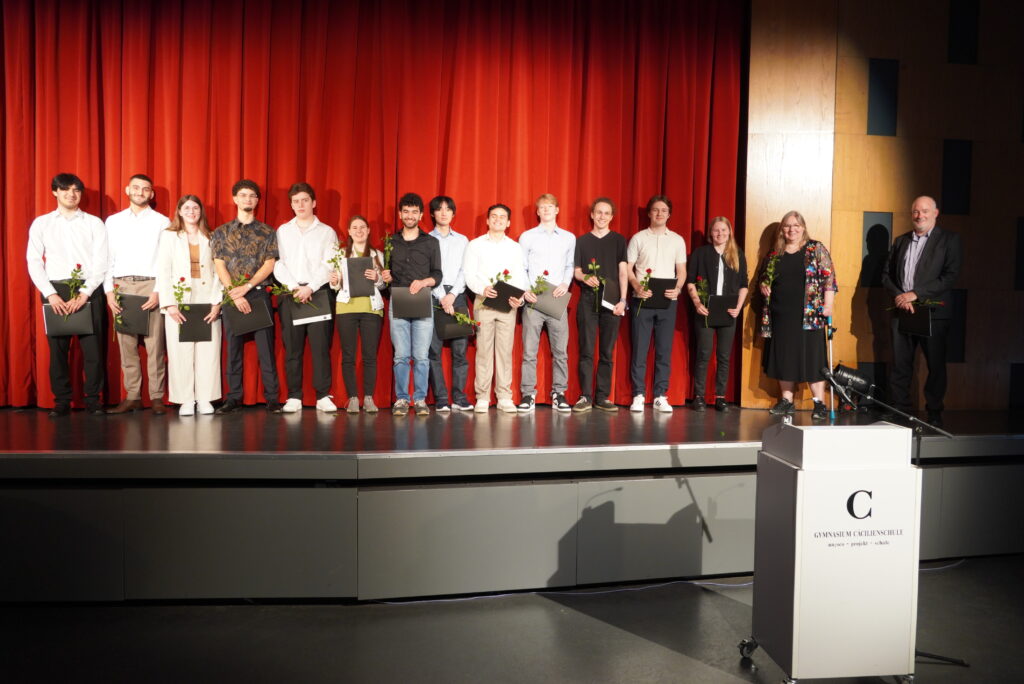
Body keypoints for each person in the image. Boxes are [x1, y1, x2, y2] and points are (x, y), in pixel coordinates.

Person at [26, 173, 108, 416]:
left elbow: (101, 261)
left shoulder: (94, 223)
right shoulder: (42, 223)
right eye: (65, 189)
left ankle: (93, 400)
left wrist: (85, 293)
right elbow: (33, 261)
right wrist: (50, 294)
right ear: (55, 192)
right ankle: (61, 400)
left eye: (76, 190)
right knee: (58, 351)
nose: (71, 194)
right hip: (55, 289)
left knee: (93, 350)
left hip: (89, 288)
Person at [881, 196, 961, 427]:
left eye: (925, 211)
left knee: (935, 365)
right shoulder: (901, 241)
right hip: (902, 310)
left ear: (936, 213)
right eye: (916, 211)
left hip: (933, 312)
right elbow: (886, 275)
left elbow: (950, 276)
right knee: (900, 365)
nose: (920, 215)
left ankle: (934, 412)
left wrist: (916, 294)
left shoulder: (949, 240)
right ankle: (900, 410)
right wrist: (900, 296)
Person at [210, 179, 281, 414]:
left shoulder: (268, 232)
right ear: (235, 199)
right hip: (232, 296)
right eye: (243, 195)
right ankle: (234, 397)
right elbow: (219, 264)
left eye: (252, 195)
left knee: (266, 350)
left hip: (258, 295)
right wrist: (234, 292)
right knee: (233, 350)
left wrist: (248, 287)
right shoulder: (221, 232)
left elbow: (269, 264)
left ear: (257, 200)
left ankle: (272, 398)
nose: (247, 199)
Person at [759, 210, 837, 419]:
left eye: (796, 225)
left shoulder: (815, 248)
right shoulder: (774, 254)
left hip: (809, 314)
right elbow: (764, 278)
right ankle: (787, 401)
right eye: (787, 225)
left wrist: (828, 305)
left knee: (813, 358)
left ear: (803, 228)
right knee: (784, 357)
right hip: (781, 314)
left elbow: (829, 278)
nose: (791, 229)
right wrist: (764, 285)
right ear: (781, 229)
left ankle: (819, 403)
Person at [104, 174, 170, 415]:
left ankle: (156, 397)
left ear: (151, 194)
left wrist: (159, 290)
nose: (140, 192)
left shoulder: (162, 221)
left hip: (150, 285)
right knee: (127, 346)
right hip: (121, 285)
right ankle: (132, 396)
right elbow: (107, 258)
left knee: (155, 346)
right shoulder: (113, 221)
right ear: (127, 190)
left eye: (145, 189)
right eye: (136, 187)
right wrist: (109, 291)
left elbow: (165, 260)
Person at [274, 183, 339, 413]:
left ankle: (322, 395)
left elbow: (329, 264)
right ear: (291, 205)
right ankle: (294, 396)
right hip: (290, 293)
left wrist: (310, 287)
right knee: (292, 348)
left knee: (320, 348)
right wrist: (295, 287)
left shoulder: (327, 232)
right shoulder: (283, 231)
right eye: (295, 201)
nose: (300, 205)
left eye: (304, 200)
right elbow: (278, 264)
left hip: (318, 293)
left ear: (314, 203)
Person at [157, 195, 223, 416]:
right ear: (179, 211)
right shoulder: (169, 236)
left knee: (208, 351)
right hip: (179, 299)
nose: (191, 211)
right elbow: (163, 270)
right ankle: (185, 399)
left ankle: (205, 398)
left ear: (201, 211)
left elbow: (219, 271)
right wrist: (169, 304)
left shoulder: (212, 236)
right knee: (180, 351)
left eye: (195, 207)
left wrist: (217, 302)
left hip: (207, 298)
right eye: (187, 208)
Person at [381, 193, 442, 417]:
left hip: (422, 301)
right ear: (400, 214)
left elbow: (438, 274)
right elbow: (386, 276)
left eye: (414, 212)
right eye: (406, 212)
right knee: (401, 355)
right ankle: (401, 399)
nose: (409, 216)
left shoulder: (431, 242)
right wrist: (386, 277)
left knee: (421, 356)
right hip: (398, 301)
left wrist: (424, 282)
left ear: (421, 215)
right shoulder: (390, 242)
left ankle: (420, 399)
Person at [463, 204, 528, 413]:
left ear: (508, 223)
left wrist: (520, 299)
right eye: (494, 216)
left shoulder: (515, 247)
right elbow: (469, 274)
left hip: (508, 304)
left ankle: (504, 396)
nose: (498, 219)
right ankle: (482, 397)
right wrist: (482, 289)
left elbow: (520, 276)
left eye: (502, 217)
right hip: (484, 301)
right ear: (487, 220)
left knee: (504, 352)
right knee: (483, 350)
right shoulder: (475, 245)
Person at [626, 195, 687, 413]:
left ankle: (660, 395)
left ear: (669, 214)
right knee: (640, 349)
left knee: (664, 350)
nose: (659, 213)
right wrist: (636, 286)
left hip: (668, 301)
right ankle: (638, 395)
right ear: (649, 213)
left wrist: (678, 288)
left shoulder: (677, 240)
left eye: (663, 210)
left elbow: (681, 271)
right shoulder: (638, 238)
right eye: (655, 210)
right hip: (642, 299)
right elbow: (628, 268)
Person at [518, 193, 576, 413]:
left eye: (550, 206)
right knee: (529, 351)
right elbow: (521, 267)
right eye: (542, 207)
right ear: (537, 211)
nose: (546, 210)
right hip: (533, 299)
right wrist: (526, 290)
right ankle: (528, 394)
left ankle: (559, 393)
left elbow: (570, 265)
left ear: (557, 210)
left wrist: (565, 283)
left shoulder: (568, 238)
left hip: (557, 299)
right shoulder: (527, 237)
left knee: (560, 351)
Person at [685, 216, 748, 412]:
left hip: (728, 310)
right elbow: (690, 282)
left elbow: (744, 284)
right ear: (711, 233)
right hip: (705, 308)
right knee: (703, 353)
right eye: (716, 230)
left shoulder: (737, 253)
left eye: (723, 230)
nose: (720, 233)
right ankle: (699, 396)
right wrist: (697, 303)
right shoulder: (701, 253)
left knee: (724, 356)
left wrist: (739, 307)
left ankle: (720, 397)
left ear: (729, 232)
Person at [572, 197, 627, 412]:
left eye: (606, 213)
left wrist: (623, 300)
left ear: (611, 217)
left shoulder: (619, 240)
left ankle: (602, 397)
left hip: (612, 300)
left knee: (607, 351)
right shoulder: (582, 241)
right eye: (599, 212)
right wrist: (585, 277)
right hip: (587, 300)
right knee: (586, 350)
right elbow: (577, 271)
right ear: (592, 215)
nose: (602, 216)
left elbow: (623, 272)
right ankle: (585, 396)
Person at [330, 216, 386, 414]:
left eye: (363, 227)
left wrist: (377, 278)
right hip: (347, 308)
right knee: (348, 355)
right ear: (349, 231)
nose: (359, 231)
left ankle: (368, 398)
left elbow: (382, 285)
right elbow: (335, 285)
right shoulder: (340, 254)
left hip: (371, 309)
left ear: (368, 230)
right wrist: (334, 280)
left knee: (370, 355)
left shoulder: (377, 254)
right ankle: (353, 398)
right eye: (355, 227)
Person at [427, 195, 472, 412]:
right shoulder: (426, 239)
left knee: (460, 351)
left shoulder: (463, 240)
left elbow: (465, 270)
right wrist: (440, 296)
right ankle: (441, 398)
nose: (444, 213)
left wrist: (452, 295)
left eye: (448, 209)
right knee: (433, 351)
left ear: (453, 213)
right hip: (433, 297)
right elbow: (426, 271)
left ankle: (459, 398)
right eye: (439, 209)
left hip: (458, 295)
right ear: (432, 213)